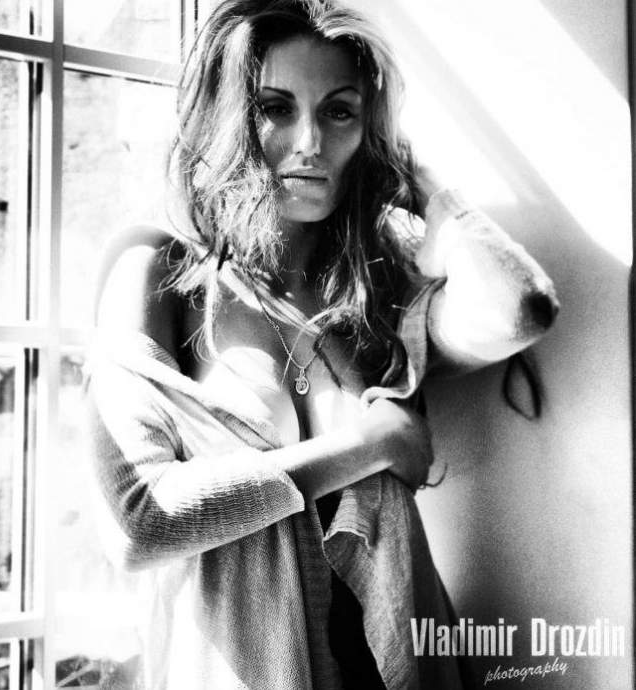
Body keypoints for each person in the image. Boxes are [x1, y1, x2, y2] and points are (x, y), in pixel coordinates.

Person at [87, 1, 559, 688]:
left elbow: (521, 310)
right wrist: (371, 444)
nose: (309, 141)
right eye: (274, 108)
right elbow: (139, 523)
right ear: (226, 117)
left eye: (339, 112)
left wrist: (426, 188)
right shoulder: (162, 270)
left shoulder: (374, 286)